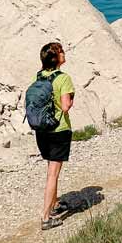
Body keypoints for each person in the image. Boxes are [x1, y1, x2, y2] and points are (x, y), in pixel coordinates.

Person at [35, 41, 74, 230]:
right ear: (56, 58)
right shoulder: (63, 78)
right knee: (53, 173)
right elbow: (65, 106)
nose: (64, 53)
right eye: (61, 52)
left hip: (42, 130)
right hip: (59, 130)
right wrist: (70, 100)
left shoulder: (39, 76)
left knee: (50, 169)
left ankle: (55, 203)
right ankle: (46, 216)